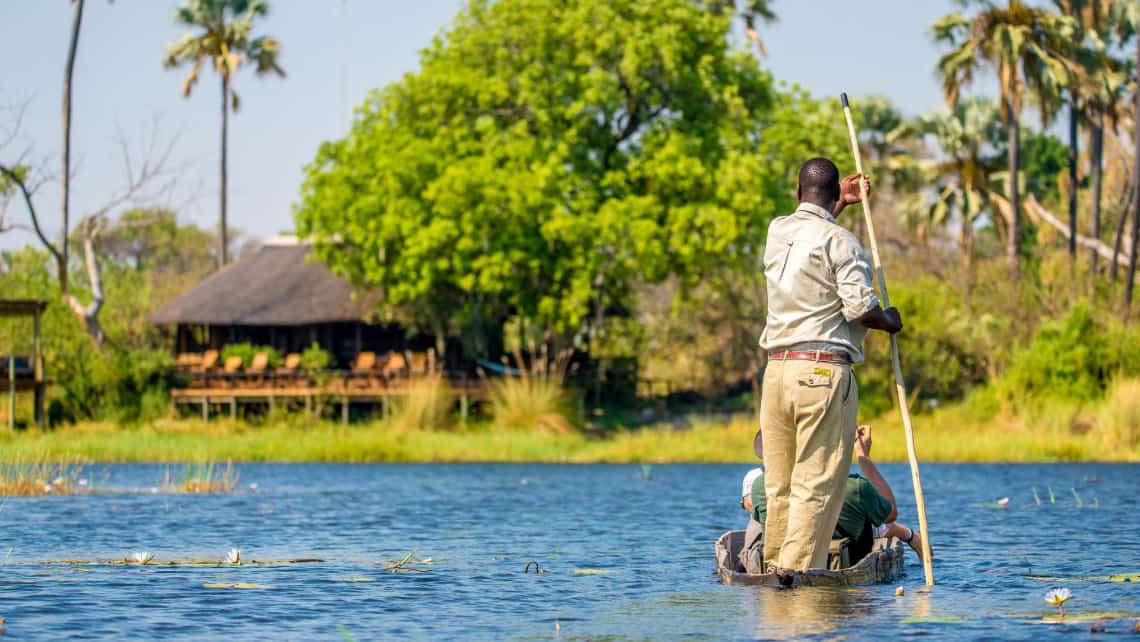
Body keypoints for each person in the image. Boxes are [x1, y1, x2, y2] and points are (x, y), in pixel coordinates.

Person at [758, 158, 904, 572]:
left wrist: (838, 200)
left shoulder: (777, 232)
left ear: (797, 190)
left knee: (780, 484)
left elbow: (810, 235)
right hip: (822, 373)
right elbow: (861, 308)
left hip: (778, 372)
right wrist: (889, 320)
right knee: (816, 486)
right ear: (834, 190)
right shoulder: (843, 242)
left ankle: (774, 573)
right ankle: (796, 578)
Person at [739, 425, 927, 574]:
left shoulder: (761, 487)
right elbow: (891, 512)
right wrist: (864, 458)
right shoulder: (855, 488)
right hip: (840, 574)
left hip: (780, 569)